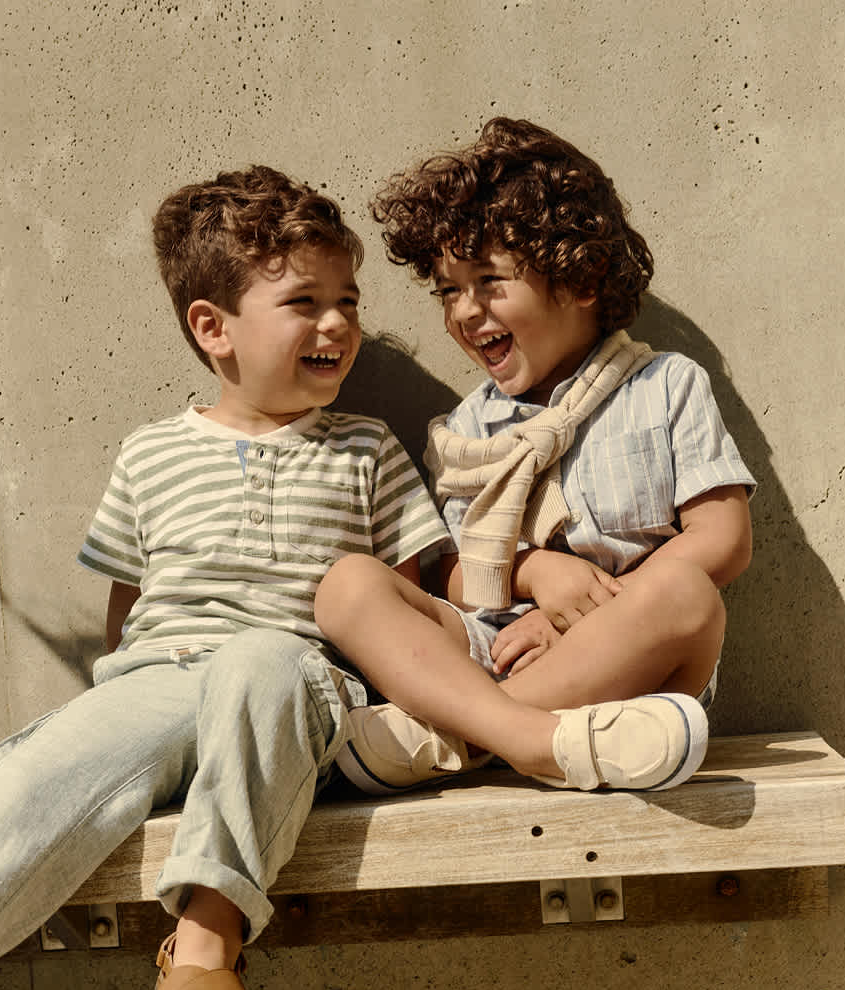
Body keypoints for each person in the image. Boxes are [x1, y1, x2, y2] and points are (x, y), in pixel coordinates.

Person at [0, 165, 449, 990]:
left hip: (294, 692)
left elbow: (411, 598)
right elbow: (129, 613)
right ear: (215, 328)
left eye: (348, 302)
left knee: (262, 660)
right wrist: (122, 733)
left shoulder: (368, 448)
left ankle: (202, 949)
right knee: (29, 777)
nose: (337, 325)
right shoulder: (148, 453)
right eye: (304, 302)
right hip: (160, 680)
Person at [314, 117, 755, 797]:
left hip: (625, 655)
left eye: (488, 281)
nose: (464, 310)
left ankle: (454, 739)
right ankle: (528, 740)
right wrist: (534, 573)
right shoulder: (467, 427)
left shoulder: (664, 384)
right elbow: (453, 572)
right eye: (447, 290)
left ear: (580, 279)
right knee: (348, 584)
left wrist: (580, 620)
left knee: (689, 595)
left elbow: (722, 539)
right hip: (488, 651)